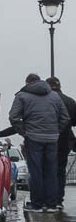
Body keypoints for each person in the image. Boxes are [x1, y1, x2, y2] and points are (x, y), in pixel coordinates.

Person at [9, 73, 71, 212]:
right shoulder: (54, 96)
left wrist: (24, 132)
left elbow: (13, 117)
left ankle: (36, 204)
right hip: (52, 139)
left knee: (36, 171)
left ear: (28, 83)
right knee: (51, 171)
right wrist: (56, 131)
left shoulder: (22, 96)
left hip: (33, 138)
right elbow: (65, 118)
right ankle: (51, 205)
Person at [46, 77, 76, 210]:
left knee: (47, 169)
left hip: (47, 139)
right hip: (65, 140)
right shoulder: (70, 101)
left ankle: (48, 199)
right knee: (60, 171)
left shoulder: (46, 100)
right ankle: (58, 199)